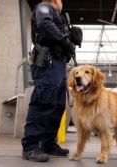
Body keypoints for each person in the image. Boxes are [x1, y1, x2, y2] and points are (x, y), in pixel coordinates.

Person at [21, 0, 76, 162]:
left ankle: (48, 143)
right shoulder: (44, 8)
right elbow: (44, 24)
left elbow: (55, 31)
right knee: (43, 102)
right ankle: (30, 147)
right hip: (48, 62)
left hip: (58, 63)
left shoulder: (57, 15)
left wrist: (71, 38)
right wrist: (65, 41)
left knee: (58, 105)